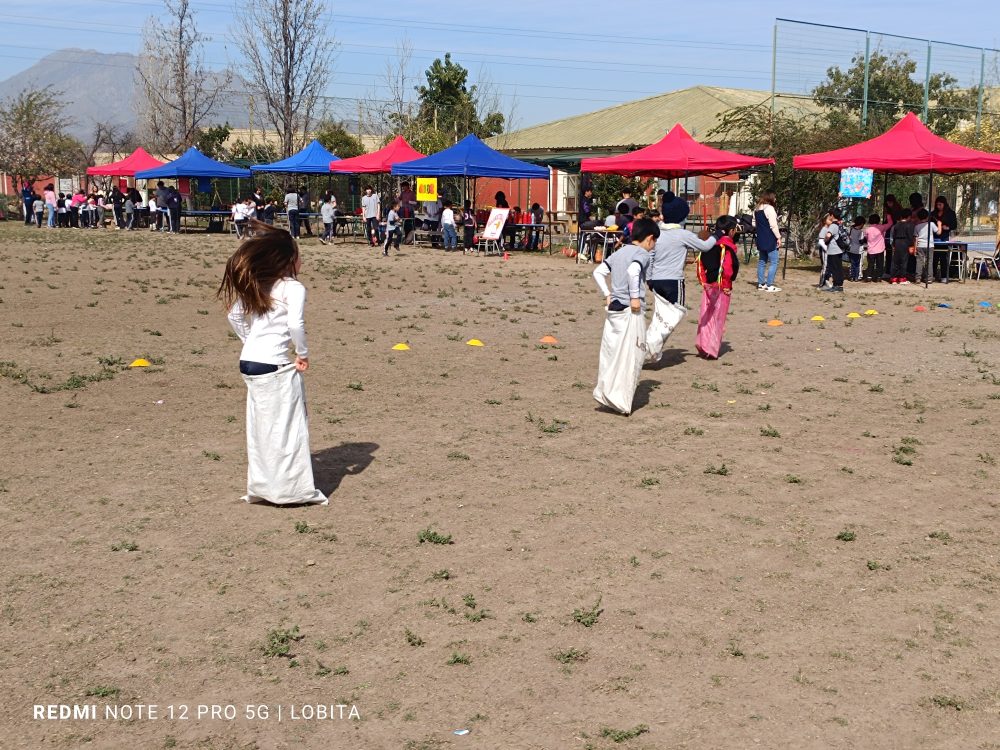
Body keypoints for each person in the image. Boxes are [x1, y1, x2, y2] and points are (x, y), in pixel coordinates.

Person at [217, 220, 326, 506]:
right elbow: (296, 324)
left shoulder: (259, 284)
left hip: (249, 362)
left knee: (262, 427)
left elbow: (234, 317)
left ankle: (263, 487)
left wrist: (250, 343)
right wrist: (302, 354)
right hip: (274, 364)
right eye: (300, 255)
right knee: (288, 426)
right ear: (290, 260)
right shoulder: (293, 288)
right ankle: (290, 491)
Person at [592, 217, 659, 415]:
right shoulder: (642, 254)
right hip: (631, 310)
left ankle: (605, 392)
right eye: (654, 242)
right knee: (632, 354)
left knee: (611, 352)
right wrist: (635, 297)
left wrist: (607, 293)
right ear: (649, 239)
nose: (653, 246)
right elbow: (633, 271)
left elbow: (598, 272)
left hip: (614, 308)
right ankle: (621, 400)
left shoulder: (620, 252)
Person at [695, 216, 741, 359]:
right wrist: (727, 285)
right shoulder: (726, 248)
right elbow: (727, 269)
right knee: (718, 318)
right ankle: (711, 348)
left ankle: (702, 344)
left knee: (706, 315)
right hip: (721, 286)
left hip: (708, 285)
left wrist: (703, 281)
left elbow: (700, 263)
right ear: (732, 231)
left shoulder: (708, 245)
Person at [752, 191, 781, 291]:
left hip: (760, 237)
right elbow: (773, 225)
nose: (775, 199)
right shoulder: (770, 209)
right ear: (770, 198)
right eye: (775, 197)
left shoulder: (756, 209)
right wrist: (778, 237)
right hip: (769, 238)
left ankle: (761, 284)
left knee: (762, 261)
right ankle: (769, 285)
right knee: (774, 261)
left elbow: (753, 224)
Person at [931, 196, 958, 282]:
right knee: (934, 257)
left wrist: (947, 227)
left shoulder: (950, 213)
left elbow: (954, 225)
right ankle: (933, 275)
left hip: (944, 238)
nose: (938, 206)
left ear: (944, 204)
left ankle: (944, 276)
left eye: (940, 204)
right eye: (937, 204)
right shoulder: (933, 213)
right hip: (934, 238)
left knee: (943, 257)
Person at [816, 209, 844, 291]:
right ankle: (838, 285)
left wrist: (825, 240)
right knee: (837, 268)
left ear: (832, 216)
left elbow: (828, 235)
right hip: (838, 250)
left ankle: (837, 285)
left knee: (835, 268)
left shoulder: (833, 226)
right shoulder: (838, 225)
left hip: (834, 251)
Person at [863, 213, 893, 282]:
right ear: (878, 220)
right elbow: (890, 223)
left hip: (871, 250)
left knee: (870, 264)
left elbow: (866, 238)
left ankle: (869, 277)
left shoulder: (868, 229)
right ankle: (879, 277)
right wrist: (888, 216)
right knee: (880, 264)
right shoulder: (881, 227)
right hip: (880, 250)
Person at [888, 210, 914, 284]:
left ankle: (894, 278)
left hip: (897, 243)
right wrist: (911, 245)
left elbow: (893, 236)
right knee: (904, 261)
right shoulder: (910, 225)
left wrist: (893, 244)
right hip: (905, 243)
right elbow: (910, 236)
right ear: (909, 216)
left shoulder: (896, 225)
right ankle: (902, 278)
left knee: (895, 261)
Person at [912, 208, 937, 284]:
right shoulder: (931, 224)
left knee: (919, 261)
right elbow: (937, 231)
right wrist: (939, 224)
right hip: (929, 245)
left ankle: (918, 278)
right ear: (927, 217)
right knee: (929, 261)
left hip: (920, 245)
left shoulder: (917, 226)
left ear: (918, 218)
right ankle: (929, 278)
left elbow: (915, 238)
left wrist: (915, 248)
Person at [846, 216, 866, 282]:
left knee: (852, 263)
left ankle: (852, 277)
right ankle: (856, 277)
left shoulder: (851, 229)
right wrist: (865, 239)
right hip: (858, 250)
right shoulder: (860, 232)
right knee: (857, 264)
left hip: (851, 249)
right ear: (861, 224)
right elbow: (861, 241)